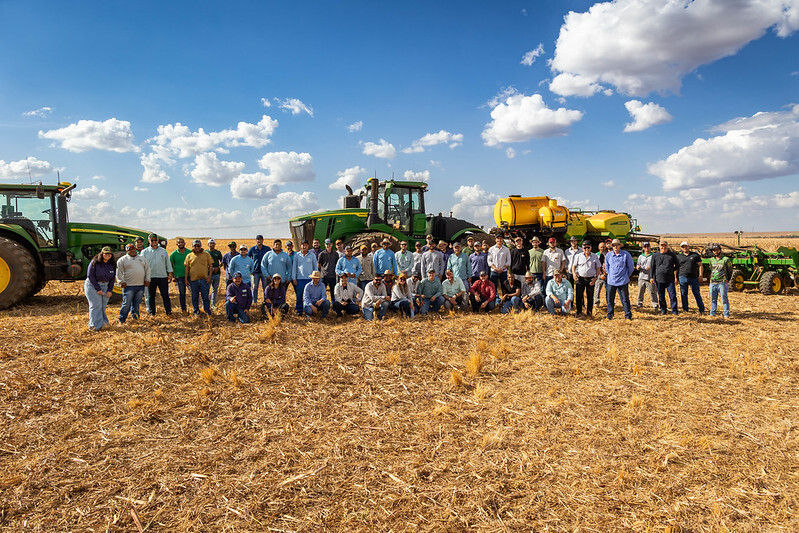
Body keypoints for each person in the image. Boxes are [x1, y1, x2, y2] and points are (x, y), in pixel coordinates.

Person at [116, 243, 151, 324]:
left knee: (137, 303)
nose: (131, 251)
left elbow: (147, 270)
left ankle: (135, 318)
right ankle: (122, 319)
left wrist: (147, 279)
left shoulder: (142, 258)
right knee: (126, 304)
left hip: (140, 285)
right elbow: (119, 273)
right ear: (126, 251)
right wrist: (121, 281)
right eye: (129, 250)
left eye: (132, 249)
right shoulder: (122, 260)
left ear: (135, 249)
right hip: (128, 286)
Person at [141, 233, 173, 316]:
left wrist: (170, 274)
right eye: (152, 240)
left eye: (155, 240)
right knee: (151, 296)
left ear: (158, 240)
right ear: (149, 241)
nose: (154, 242)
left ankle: (168, 312)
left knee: (165, 295)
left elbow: (168, 263)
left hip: (162, 277)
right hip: (150, 277)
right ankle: (152, 313)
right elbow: (141, 265)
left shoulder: (163, 251)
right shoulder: (144, 252)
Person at [84, 246, 115, 331]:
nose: (107, 255)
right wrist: (98, 289)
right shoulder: (94, 262)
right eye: (106, 253)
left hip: (105, 285)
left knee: (102, 306)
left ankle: (103, 323)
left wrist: (109, 290)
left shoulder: (111, 264)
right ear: (102, 254)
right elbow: (90, 276)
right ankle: (93, 326)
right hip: (93, 285)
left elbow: (112, 278)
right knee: (95, 305)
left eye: (109, 254)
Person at [603, 238, 635, 320]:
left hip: (623, 281)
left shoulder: (626, 254)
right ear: (612, 246)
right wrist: (610, 275)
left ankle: (628, 315)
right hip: (611, 281)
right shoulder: (608, 255)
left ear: (620, 246)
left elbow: (631, 267)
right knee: (610, 299)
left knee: (625, 299)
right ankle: (610, 315)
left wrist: (626, 276)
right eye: (613, 245)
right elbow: (607, 267)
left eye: (617, 245)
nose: (615, 247)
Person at [571, 240, 601, 317]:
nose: (586, 249)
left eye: (588, 247)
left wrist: (595, 278)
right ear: (582, 248)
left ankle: (589, 313)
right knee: (579, 296)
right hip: (580, 278)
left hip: (591, 279)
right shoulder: (578, 256)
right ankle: (579, 312)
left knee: (590, 297)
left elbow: (598, 268)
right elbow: (573, 266)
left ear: (591, 248)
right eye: (585, 247)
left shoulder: (595, 256)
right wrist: (574, 274)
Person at [185, 239, 214, 316]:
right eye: (195, 246)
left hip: (204, 280)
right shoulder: (189, 255)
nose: (197, 247)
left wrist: (209, 277)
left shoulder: (206, 254)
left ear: (201, 246)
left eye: (198, 246)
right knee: (195, 297)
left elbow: (211, 266)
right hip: (193, 280)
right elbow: (187, 268)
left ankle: (207, 311)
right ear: (192, 246)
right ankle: (196, 311)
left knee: (205, 297)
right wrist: (186, 279)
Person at [651, 240, 680, 315]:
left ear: (667, 246)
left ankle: (674, 310)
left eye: (664, 245)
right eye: (661, 245)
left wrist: (671, 270)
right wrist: (651, 277)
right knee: (661, 296)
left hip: (670, 279)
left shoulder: (671, 255)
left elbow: (677, 265)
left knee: (672, 296)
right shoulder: (655, 256)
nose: (663, 247)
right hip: (659, 279)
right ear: (659, 246)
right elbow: (652, 267)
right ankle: (663, 310)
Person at [676, 241, 706, 315]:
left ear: (689, 247)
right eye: (683, 247)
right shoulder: (678, 257)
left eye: (686, 246)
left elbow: (700, 265)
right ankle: (685, 309)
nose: (684, 248)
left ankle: (701, 309)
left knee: (696, 293)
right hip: (682, 277)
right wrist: (675, 278)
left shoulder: (695, 255)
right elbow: (676, 268)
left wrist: (701, 275)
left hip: (694, 278)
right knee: (683, 294)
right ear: (681, 248)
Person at [292, 240, 317, 315]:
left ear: (308, 246)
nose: (304, 246)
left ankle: (310, 309)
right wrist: (294, 278)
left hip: (310, 279)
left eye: (306, 245)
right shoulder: (297, 255)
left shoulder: (312, 255)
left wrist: (315, 277)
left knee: (310, 295)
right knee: (299, 295)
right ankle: (299, 310)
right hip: (300, 279)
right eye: (303, 245)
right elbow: (294, 267)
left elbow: (315, 267)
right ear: (301, 246)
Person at [708, 244, 732, 318]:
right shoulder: (711, 260)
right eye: (714, 250)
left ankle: (726, 314)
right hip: (713, 283)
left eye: (717, 250)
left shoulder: (726, 259)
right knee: (713, 299)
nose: (715, 252)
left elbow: (730, 270)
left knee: (724, 299)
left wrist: (727, 279)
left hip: (722, 282)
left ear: (720, 250)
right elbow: (711, 269)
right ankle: (712, 313)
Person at [248, 235, 271, 305]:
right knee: (255, 287)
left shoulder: (267, 249)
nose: (259, 241)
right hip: (255, 272)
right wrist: (250, 270)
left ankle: (265, 301)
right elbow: (247, 259)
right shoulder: (252, 249)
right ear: (256, 240)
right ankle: (254, 301)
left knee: (265, 287)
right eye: (258, 239)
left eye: (260, 239)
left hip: (264, 272)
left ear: (263, 240)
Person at [169, 237, 191, 313]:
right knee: (182, 293)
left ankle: (195, 308)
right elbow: (170, 265)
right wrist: (172, 276)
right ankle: (183, 309)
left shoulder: (190, 252)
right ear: (176, 244)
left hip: (190, 276)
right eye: (179, 242)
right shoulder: (173, 254)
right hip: (179, 276)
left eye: (182, 242)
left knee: (194, 293)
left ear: (185, 243)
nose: (180, 244)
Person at [636, 242, 659, 309]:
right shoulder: (641, 256)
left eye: (648, 246)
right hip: (641, 277)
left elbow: (656, 266)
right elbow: (638, 264)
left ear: (650, 247)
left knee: (653, 292)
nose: (646, 248)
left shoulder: (653, 256)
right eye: (645, 246)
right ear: (643, 248)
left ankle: (655, 304)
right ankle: (639, 303)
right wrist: (638, 267)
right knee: (640, 292)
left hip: (650, 277)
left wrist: (651, 268)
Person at [207, 238, 224, 307]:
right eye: (210, 243)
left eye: (213, 243)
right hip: (208, 274)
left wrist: (218, 267)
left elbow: (222, 261)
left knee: (215, 289)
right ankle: (206, 304)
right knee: (207, 290)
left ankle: (213, 304)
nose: (212, 245)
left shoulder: (217, 252)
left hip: (216, 273)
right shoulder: (206, 252)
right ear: (208, 244)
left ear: (215, 244)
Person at [593, 241, 608, 309]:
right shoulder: (596, 255)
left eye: (604, 247)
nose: (602, 248)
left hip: (607, 275)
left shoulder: (608, 254)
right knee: (597, 289)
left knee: (608, 290)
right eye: (601, 247)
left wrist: (605, 274)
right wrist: (600, 273)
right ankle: (596, 302)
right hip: (599, 274)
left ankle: (609, 302)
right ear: (599, 248)